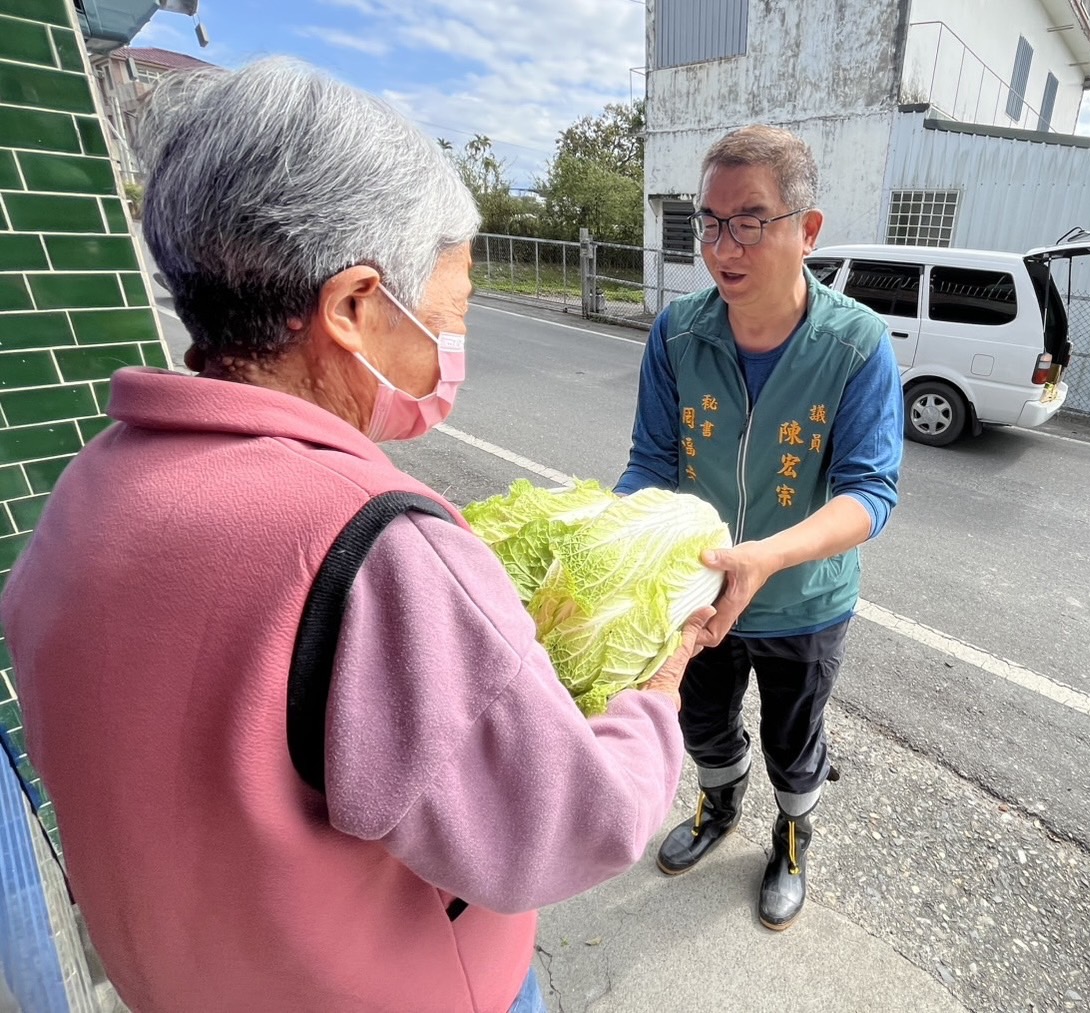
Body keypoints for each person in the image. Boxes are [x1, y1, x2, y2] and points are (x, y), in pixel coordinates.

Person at [0, 58, 710, 1013]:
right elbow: (566, 825)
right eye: (455, 308)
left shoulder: (90, 487)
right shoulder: (374, 548)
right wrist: (658, 688)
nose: (455, 342)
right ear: (352, 307)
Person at [616, 125, 904, 931]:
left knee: (793, 737)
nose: (721, 247)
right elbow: (650, 462)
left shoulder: (856, 344)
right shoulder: (678, 333)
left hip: (802, 601)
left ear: (807, 230)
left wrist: (766, 558)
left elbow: (870, 492)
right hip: (700, 596)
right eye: (709, 223)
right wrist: (613, 540)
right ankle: (718, 806)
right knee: (701, 721)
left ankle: (792, 837)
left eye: (748, 221)